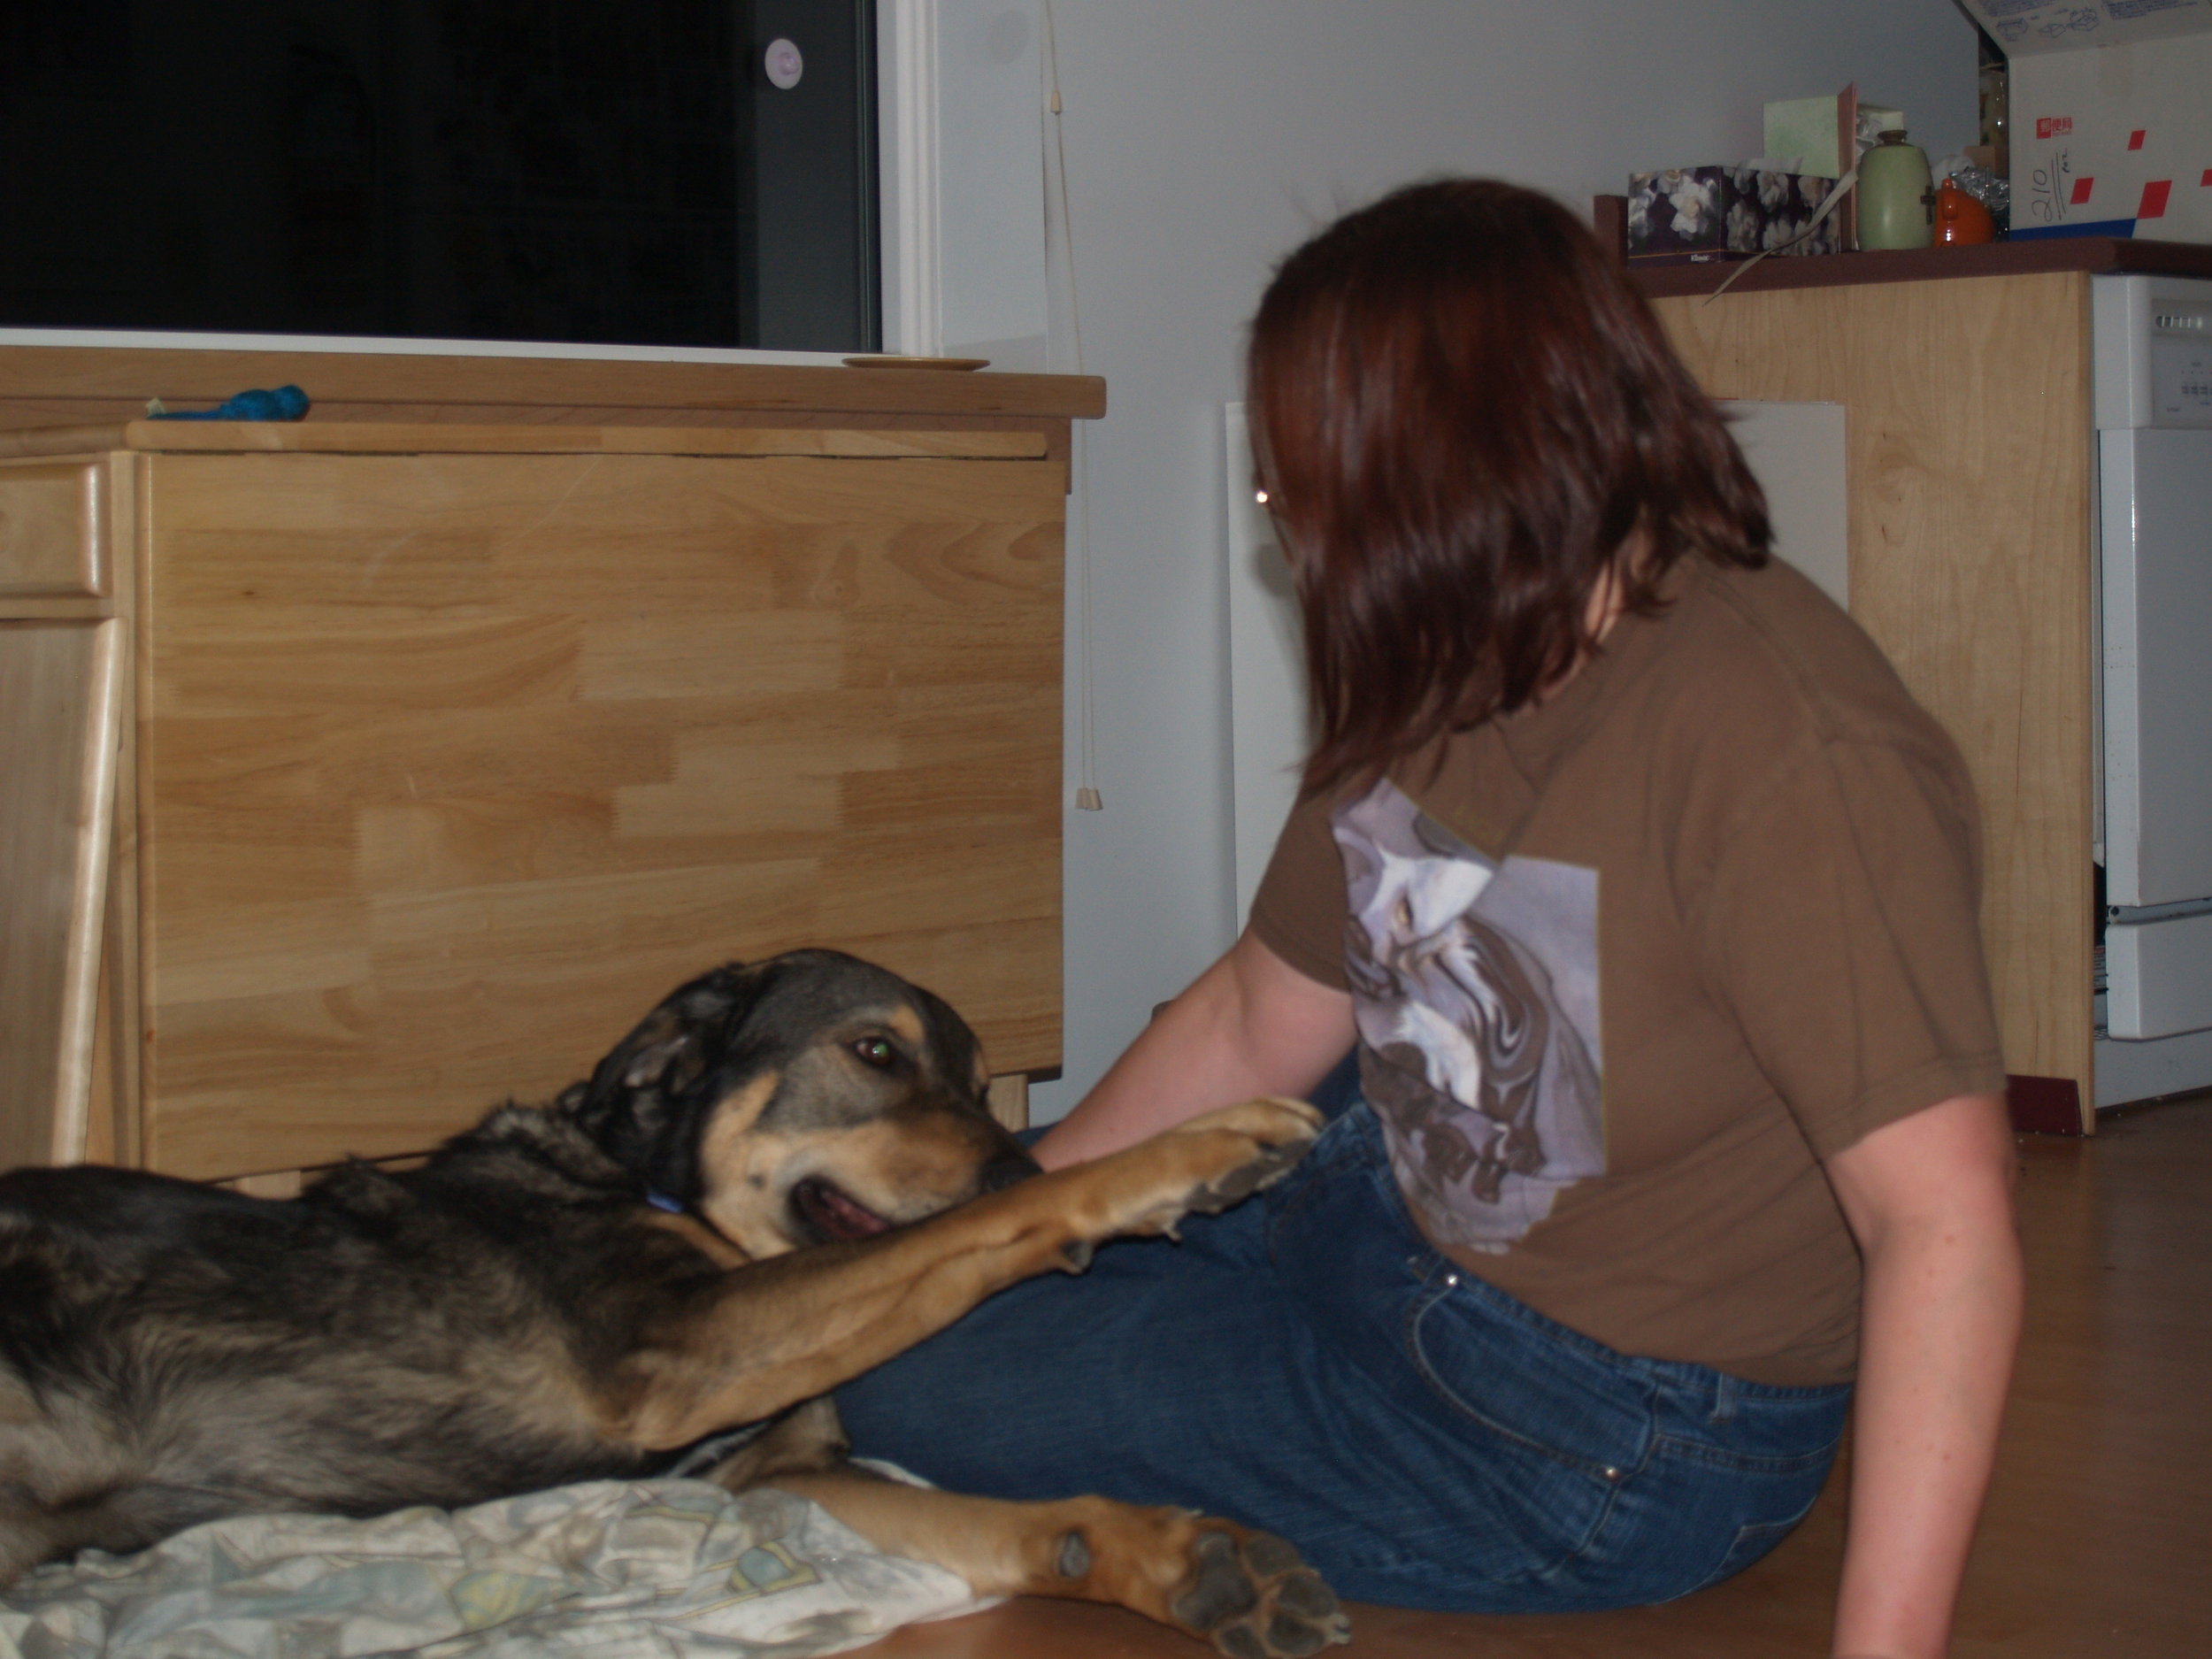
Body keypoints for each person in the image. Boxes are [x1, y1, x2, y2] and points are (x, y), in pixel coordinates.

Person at [836, 179, 2023, 1659]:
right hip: (1393, 1207)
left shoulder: (1793, 755)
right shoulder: (1454, 644)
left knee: (891, 1387)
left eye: (1298, 490)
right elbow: (1255, 1019)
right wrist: (984, 1232)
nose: (1287, 530)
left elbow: (1945, 1225)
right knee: (887, 1298)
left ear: (1435, 481)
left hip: (1609, 1427)